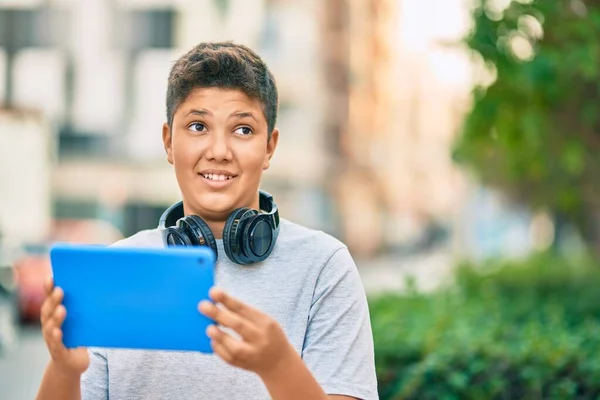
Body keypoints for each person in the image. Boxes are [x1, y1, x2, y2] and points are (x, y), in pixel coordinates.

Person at [36, 42, 378, 400]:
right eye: (198, 126)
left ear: (269, 148)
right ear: (169, 142)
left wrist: (280, 367)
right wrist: (64, 369)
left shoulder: (324, 266)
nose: (218, 151)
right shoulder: (117, 268)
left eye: (243, 130)